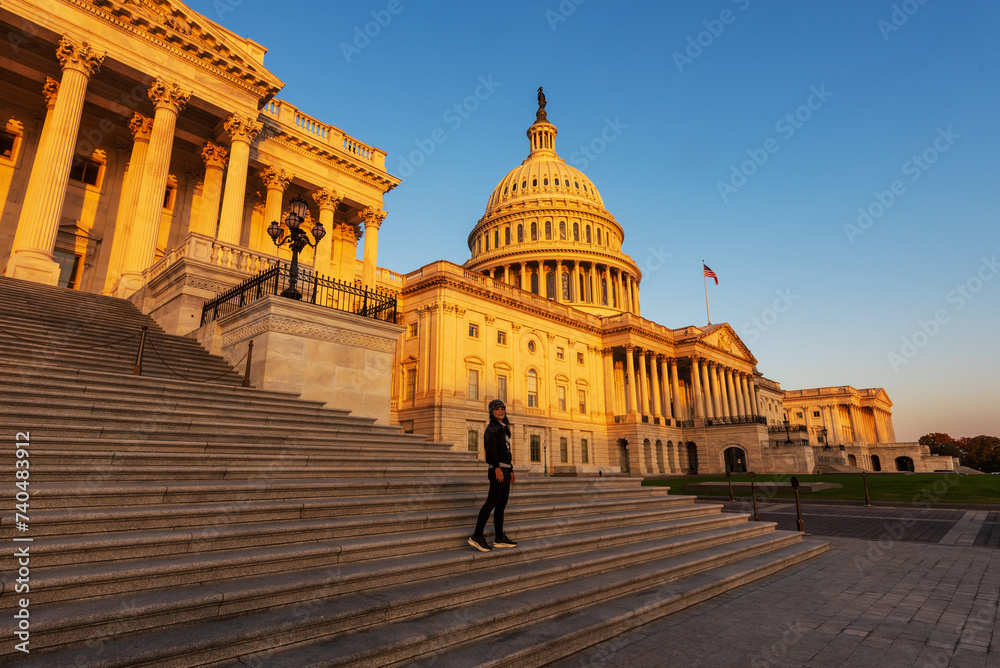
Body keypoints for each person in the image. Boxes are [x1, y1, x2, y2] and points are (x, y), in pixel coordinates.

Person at [468, 399, 517, 551]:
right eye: (497, 409)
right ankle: (476, 536)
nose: (501, 411)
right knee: (491, 502)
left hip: (505, 469)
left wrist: (511, 469)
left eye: (502, 408)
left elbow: (506, 452)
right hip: (498, 469)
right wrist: (497, 468)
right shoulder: (492, 428)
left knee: (501, 505)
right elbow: (491, 451)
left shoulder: (503, 428)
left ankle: (499, 537)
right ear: (491, 411)